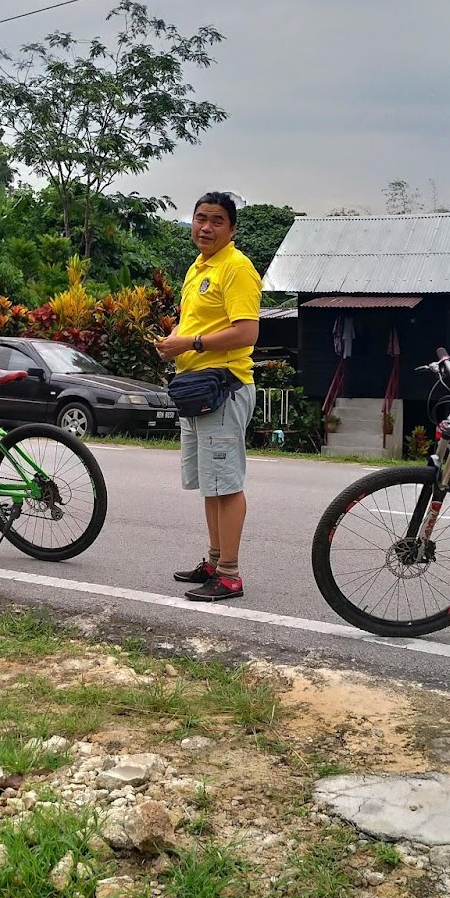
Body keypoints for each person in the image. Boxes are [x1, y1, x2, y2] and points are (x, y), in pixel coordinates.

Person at [157, 191, 261, 602]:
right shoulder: (200, 266)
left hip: (224, 387)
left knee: (227, 483)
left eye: (217, 220)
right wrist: (174, 343)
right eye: (200, 218)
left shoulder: (236, 268)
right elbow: (196, 325)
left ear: (232, 229)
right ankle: (215, 561)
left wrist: (191, 343)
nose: (206, 226)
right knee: (210, 483)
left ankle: (230, 575)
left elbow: (247, 332)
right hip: (197, 389)